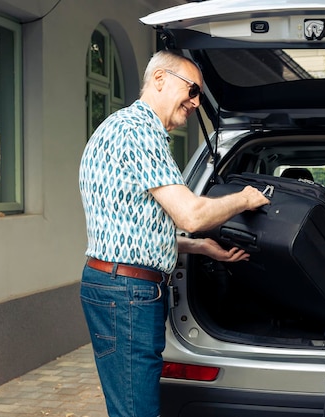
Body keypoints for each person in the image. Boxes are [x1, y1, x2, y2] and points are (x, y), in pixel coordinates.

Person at [78, 50, 269, 417]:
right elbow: (192, 214)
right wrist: (244, 198)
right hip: (128, 295)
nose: (197, 102)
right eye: (193, 90)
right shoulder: (140, 133)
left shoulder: (120, 127)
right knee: (136, 411)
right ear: (160, 79)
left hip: (117, 286)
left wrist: (200, 248)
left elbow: (132, 232)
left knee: (130, 407)